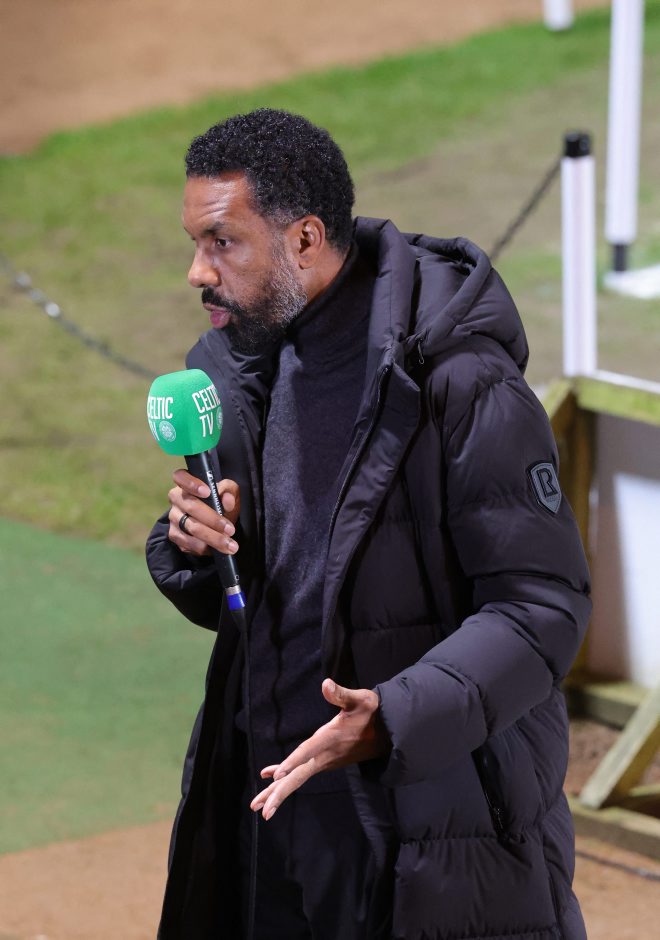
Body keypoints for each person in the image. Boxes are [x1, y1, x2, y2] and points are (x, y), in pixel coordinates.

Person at [146, 108, 591, 940]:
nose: (197, 271)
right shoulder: (236, 367)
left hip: (422, 816)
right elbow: (259, 595)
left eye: (222, 242)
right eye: (196, 243)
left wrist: (392, 717)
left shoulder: (459, 379)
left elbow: (542, 608)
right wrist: (197, 546)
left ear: (305, 239)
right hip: (264, 803)